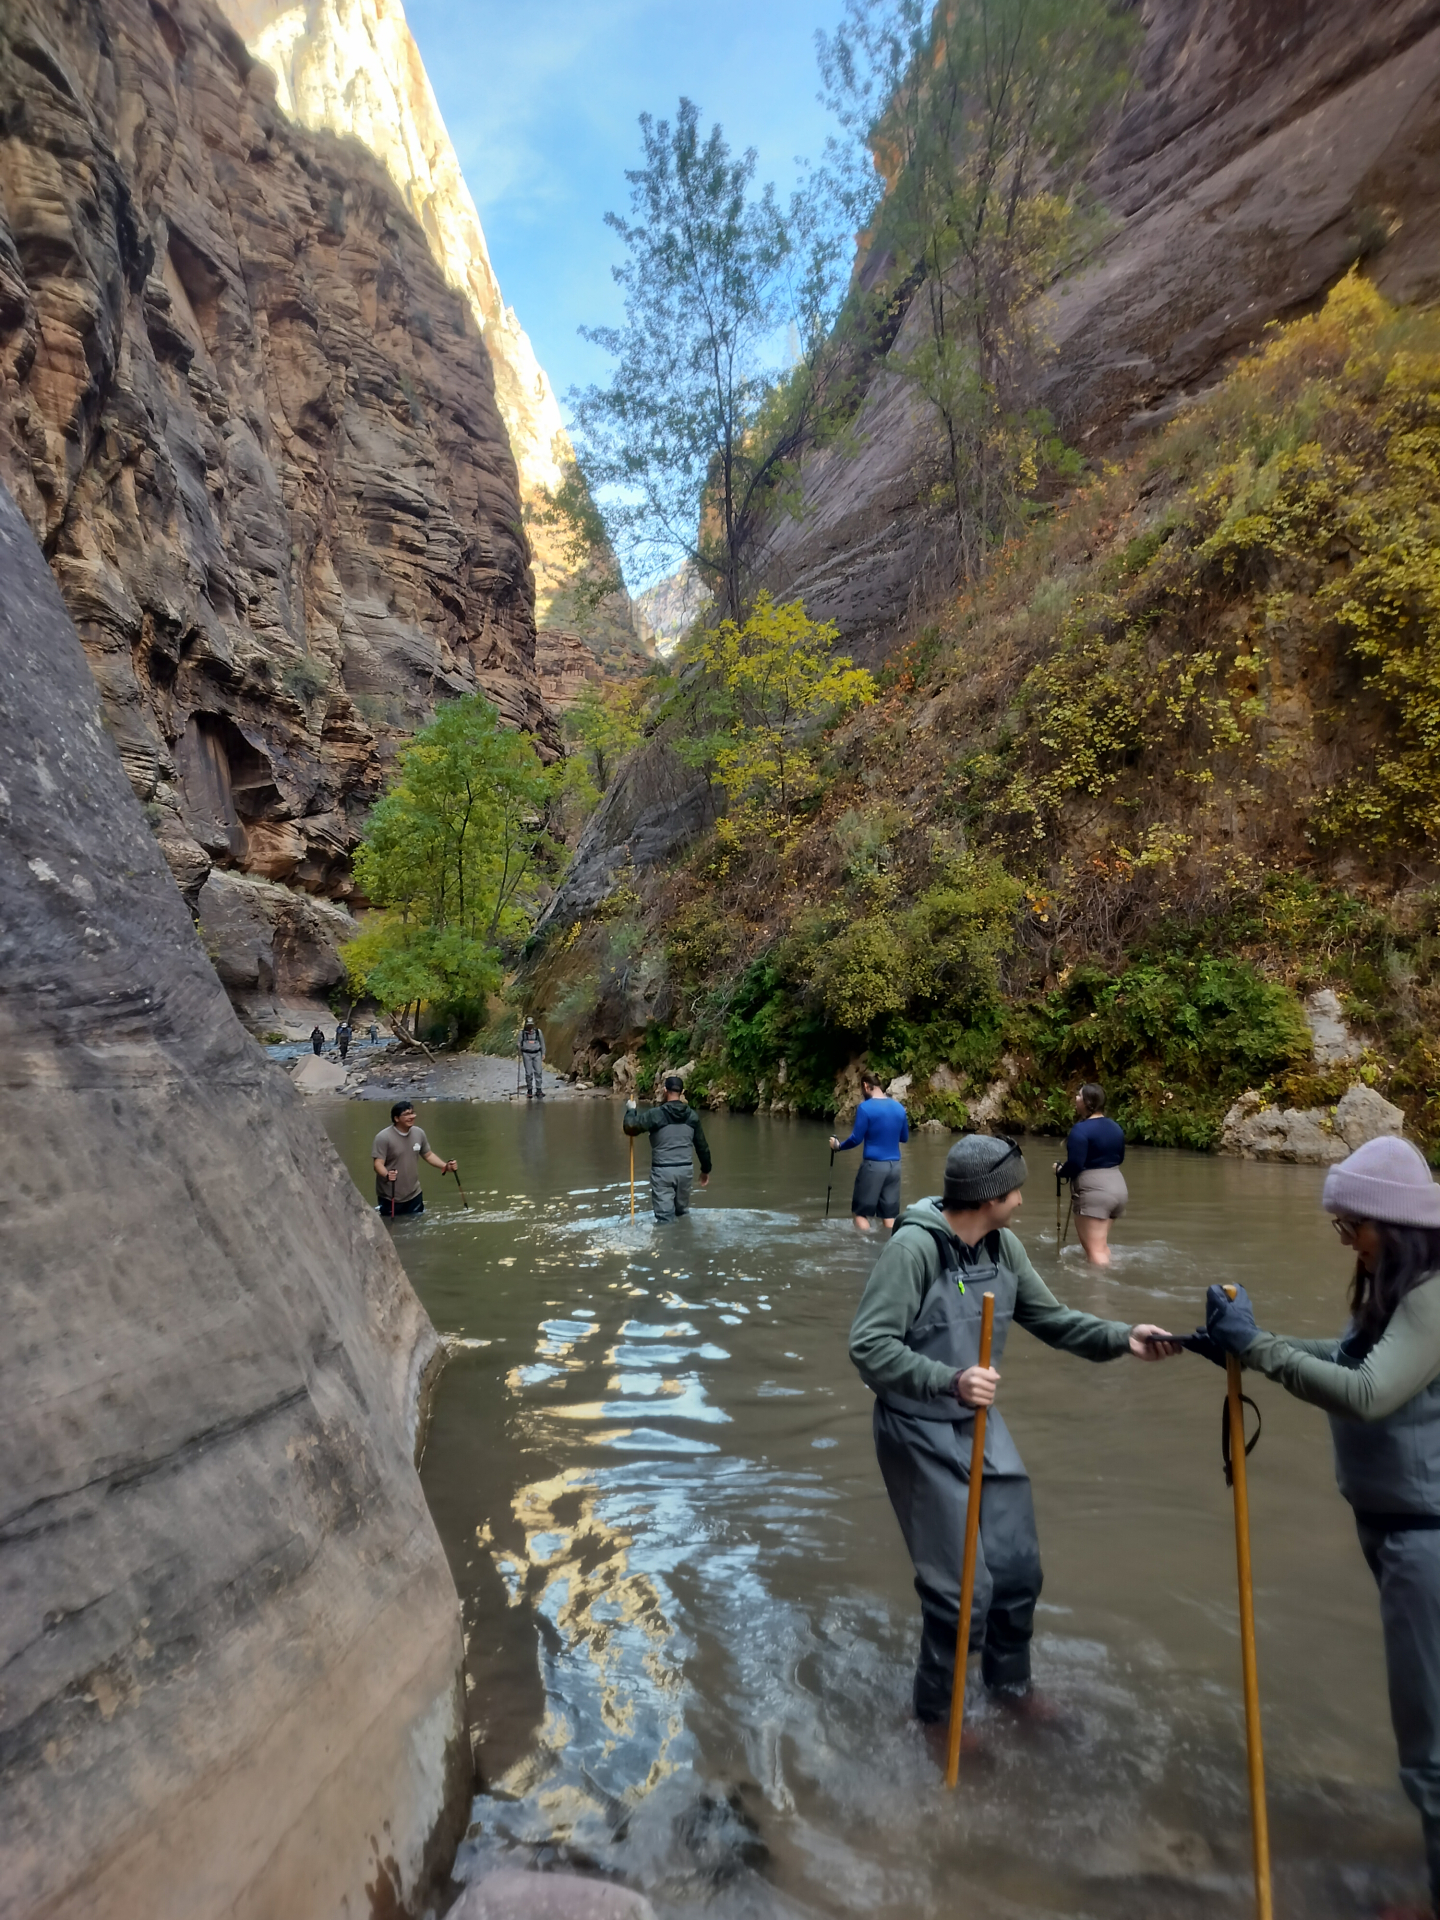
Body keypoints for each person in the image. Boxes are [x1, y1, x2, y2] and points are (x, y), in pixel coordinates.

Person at [849, 1132, 1180, 1730]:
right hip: (917, 1429)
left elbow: (1052, 1319)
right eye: (1015, 1188)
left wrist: (1122, 1338)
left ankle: (1009, 1687)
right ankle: (939, 1718)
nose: (1023, 1199)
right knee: (960, 1593)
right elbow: (868, 1346)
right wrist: (949, 1379)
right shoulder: (915, 1251)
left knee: (1018, 1569)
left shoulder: (1005, 1250)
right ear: (987, 1195)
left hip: (978, 1424)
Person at [1193, 1136, 1440, 1917]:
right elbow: (1336, 1357)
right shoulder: (1397, 1292)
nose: (1346, 1242)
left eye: (1352, 1227)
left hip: (1426, 1540)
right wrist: (1233, 1350)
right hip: (1396, 1529)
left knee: (1431, 1751)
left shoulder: (1435, 1295)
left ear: (1394, 1224)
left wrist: (1257, 1347)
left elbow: (1367, 1393)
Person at [1055, 1082, 1128, 1267]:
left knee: (1094, 1251)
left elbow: (1076, 1165)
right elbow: (1119, 1158)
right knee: (1101, 1246)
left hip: (1095, 1192)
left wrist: (1060, 1171)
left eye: (1079, 1096)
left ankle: (1096, 1291)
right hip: (1118, 1187)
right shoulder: (1115, 1127)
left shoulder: (1080, 1130)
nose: (1076, 1099)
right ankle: (1109, 1278)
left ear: (1088, 1102)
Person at [624, 1074, 712, 1223]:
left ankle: (666, 1244)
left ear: (665, 1090)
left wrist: (631, 1110)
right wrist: (705, 1170)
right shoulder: (692, 1116)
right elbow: (702, 1146)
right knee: (682, 1213)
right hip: (685, 1171)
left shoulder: (655, 1115)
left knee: (665, 1219)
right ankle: (685, 1242)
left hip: (663, 1172)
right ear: (682, 1092)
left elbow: (630, 1127)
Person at [830, 1071, 910, 1232]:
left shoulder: (865, 1108)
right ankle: (890, 1247)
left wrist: (838, 1146)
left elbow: (855, 1139)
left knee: (860, 1213)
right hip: (895, 1167)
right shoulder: (899, 1108)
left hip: (874, 1166)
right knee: (889, 1216)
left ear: (866, 1086)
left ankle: (866, 1250)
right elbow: (904, 1138)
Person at [372, 1100, 456, 1218]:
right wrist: (387, 1175)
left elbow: (428, 1155)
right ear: (396, 1118)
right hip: (390, 1195)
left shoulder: (419, 1133)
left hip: (414, 1193)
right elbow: (378, 1164)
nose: (411, 1117)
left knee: (417, 1224)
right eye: (406, 1114)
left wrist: (445, 1166)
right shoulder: (383, 1137)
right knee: (392, 1228)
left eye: (412, 1113)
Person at [519, 1015, 545, 1100]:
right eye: (528, 1025)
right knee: (528, 1073)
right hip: (526, 1054)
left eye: (531, 1025)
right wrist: (519, 1048)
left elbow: (542, 1043)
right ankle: (529, 1090)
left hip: (537, 1053)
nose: (530, 1027)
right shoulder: (522, 1033)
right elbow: (519, 1043)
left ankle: (539, 1090)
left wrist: (543, 1053)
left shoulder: (538, 1032)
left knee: (538, 1071)